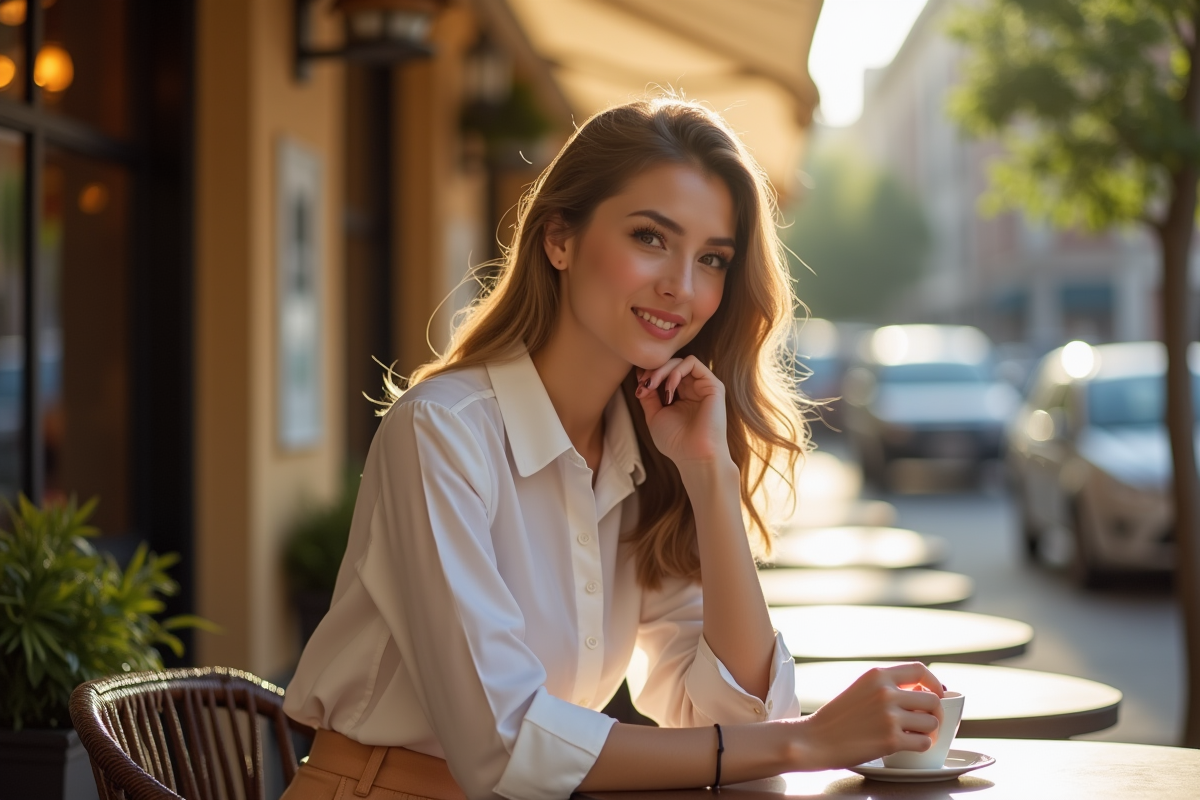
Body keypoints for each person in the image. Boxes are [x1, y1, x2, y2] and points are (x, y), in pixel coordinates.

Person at [282, 97, 944, 800]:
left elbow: (730, 713)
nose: (681, 288)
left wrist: (710, 477)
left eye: (713, 259)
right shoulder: (442, 433)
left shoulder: (645, 448)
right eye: (651, 238)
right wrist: (807, 741)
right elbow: (505, 746)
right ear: (559, 239)